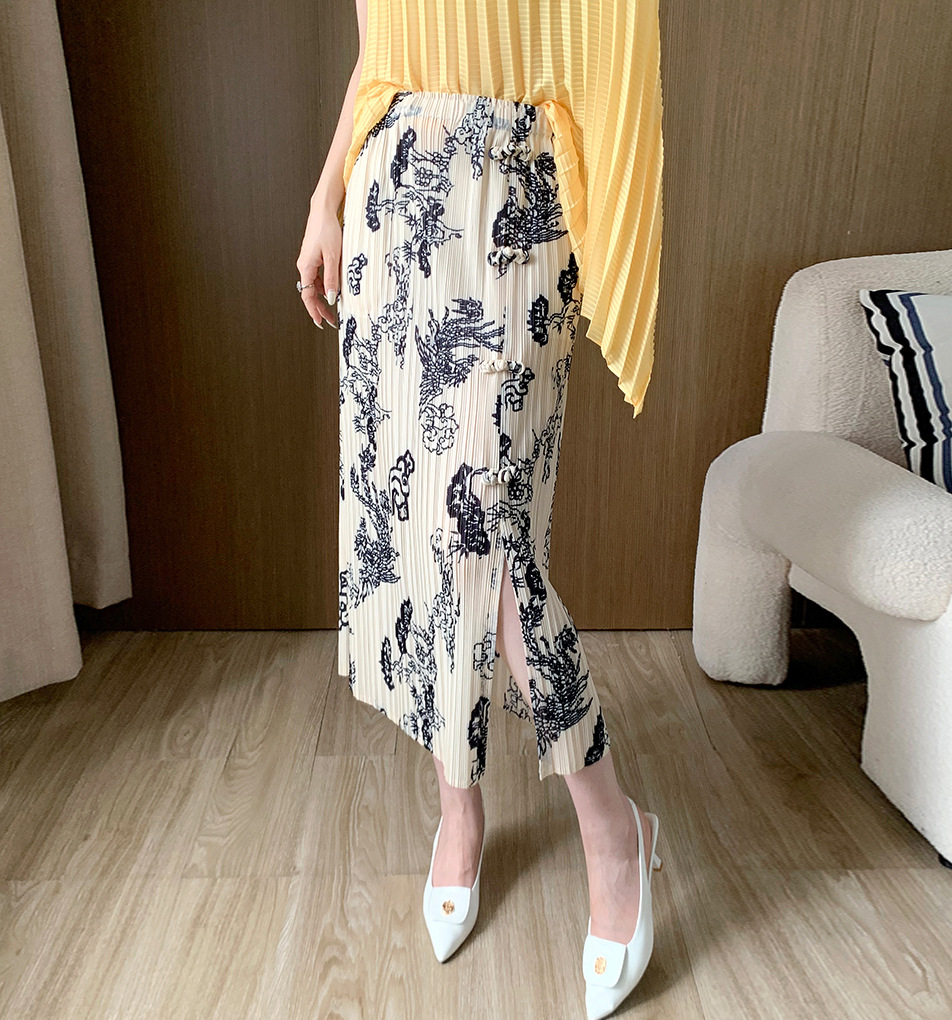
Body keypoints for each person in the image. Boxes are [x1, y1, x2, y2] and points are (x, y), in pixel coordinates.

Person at [296, 1, 664, 1015]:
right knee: (420, 529)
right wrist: (328, 197)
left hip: (513, 191)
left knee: (488, 535)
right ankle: (457, 813)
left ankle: (613, 829)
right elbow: (380, 46)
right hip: (391, 191)